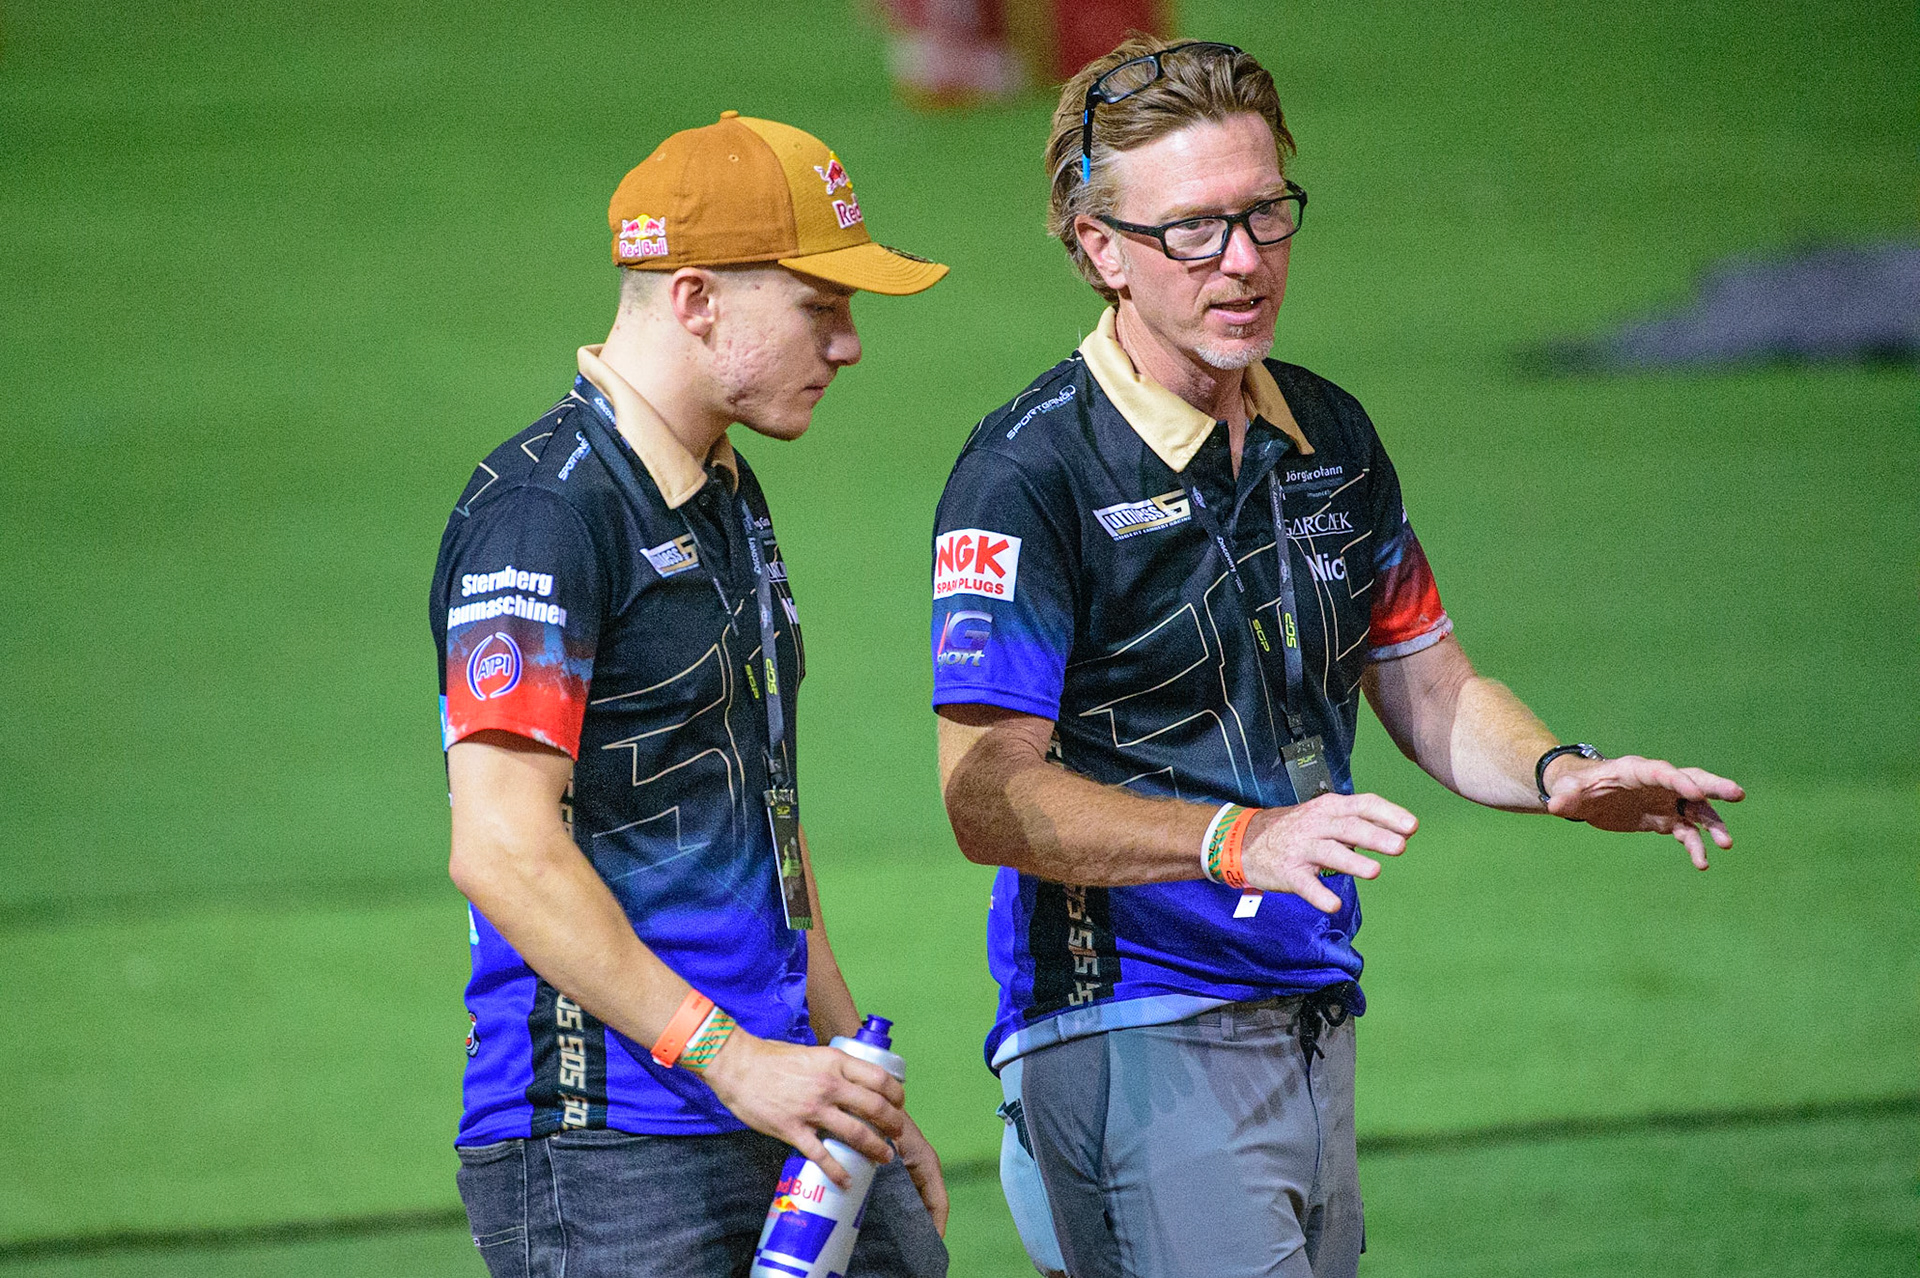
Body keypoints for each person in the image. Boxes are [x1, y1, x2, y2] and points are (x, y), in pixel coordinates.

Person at [928, 38, 1744, 1278]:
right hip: (1131, 1028)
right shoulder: (1029, 474)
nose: (1245, 260)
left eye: (1266, 213)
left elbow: (1431, 680)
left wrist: (1559, 773)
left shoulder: (1329, 436)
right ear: (1101, 249)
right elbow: (985, 795)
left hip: (1309, 1008)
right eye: (1194, 230)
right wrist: (1234, 840)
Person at [431, 111, 950, 1278]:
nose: (850, 345)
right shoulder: (546, 516)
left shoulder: (724, 493)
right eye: (820, 308)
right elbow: (501, 849)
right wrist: (734, 1059)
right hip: (608, 1144)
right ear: (697, 298)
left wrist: (845, 1071)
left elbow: (759, 811)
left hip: (779, 1097)